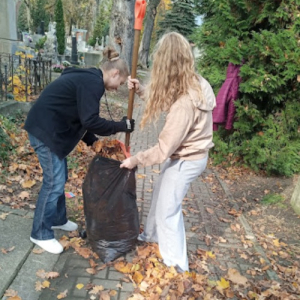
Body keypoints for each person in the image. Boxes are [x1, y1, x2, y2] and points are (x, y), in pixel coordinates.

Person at [120, 32, 216, 272]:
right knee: (161, 193)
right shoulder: (195, 82)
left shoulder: (185, 103)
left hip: (187, 160)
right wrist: (142, 90)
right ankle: (151, 235)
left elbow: (163, 149)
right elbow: (170, 102)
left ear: (166, 64)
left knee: (167, 210)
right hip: (189, 155)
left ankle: (177, 265)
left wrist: (135, 160)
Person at [24, 48, 135, 254]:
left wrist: (92, 141)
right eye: (119, 83)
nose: (117, 88)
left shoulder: (89, 79)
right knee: (53, 182)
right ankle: (40, 233)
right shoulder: (92, 82)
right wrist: (121, 126)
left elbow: (79, 115)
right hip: (45, 131)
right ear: (115, 73)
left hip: (51, 130)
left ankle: (57, 219)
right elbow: (90, 120)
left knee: (60, 178)